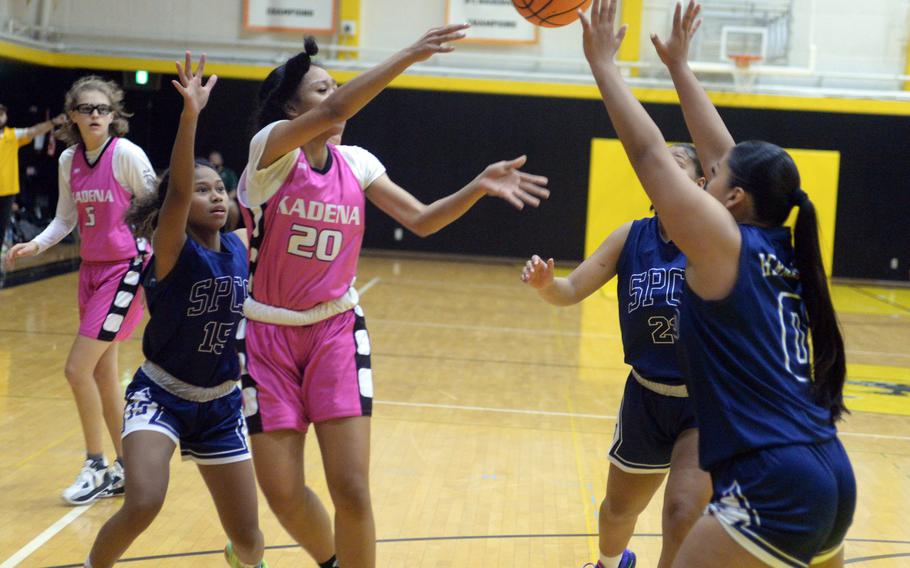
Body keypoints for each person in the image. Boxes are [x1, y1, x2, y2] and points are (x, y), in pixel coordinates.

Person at [238, 26, 550, 568]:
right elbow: (339, 105)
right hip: (266, 337)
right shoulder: (268, 154)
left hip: (335, 330)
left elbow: (422, 220)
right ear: (292, 107)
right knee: (283, 492)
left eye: (333, 87)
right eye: (320, 90)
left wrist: (477, 185)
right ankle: (333, 559)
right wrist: (408, 53)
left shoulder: (356, 162)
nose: (336, 97)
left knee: (352, 490)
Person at [578, 1, 855, 566]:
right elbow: (727, 156)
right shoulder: (785, 248)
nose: (705, 177)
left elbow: (648, 152)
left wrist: (605, 66)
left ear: (733, 198)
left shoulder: (724, 246)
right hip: (831, 470)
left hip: (775, 481)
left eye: (714, 179)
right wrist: (680, 67)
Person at [84, 53, 266, 568]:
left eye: (220, 190)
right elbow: (180, 190)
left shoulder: (239, 245)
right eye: (202, 190)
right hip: (161, 393)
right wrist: (191, 115)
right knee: (143, 501)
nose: (214, 196)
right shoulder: (172, 249)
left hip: (222, 403)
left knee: (251, 539)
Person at [522, 144, 711, 568]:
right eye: (657, 162)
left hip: (706, 401)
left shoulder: (714, 239)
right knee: (617, 510)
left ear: (701, 184)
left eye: (676, 162)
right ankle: (611, 564)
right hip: (646, 396)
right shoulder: (631, 236)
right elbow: (570, 291)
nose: (661, 167)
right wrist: (546, 285)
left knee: (682, 514)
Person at [6, 76, 157, 504]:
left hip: (126, 269)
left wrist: (162, 268)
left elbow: (156, 209)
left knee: (77, 370)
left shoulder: (126, 154)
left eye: (103, 109)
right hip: (90, 271)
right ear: (72, 115)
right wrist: (36, 244)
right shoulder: (68, 159)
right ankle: (128, 466)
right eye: (87, 109)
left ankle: (95, 465)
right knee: (104, 376)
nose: (95, 115)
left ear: (114, 115)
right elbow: (65, 218)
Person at [0, 103, 65, 255]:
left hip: (8, 190)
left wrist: (53, 122)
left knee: (2, 227)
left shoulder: (13, 135)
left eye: (2, 113)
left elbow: (34, 131)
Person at [208, 150, 241, 232]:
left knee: (233, 207)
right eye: (212, 159)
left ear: (221, 160)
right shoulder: (207, 173)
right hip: (209, 199)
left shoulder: (228, 173)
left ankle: (230, 232)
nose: (214, 160)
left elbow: (234, 191)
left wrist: (225, 198)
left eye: (216, 158)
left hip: (225, 199)